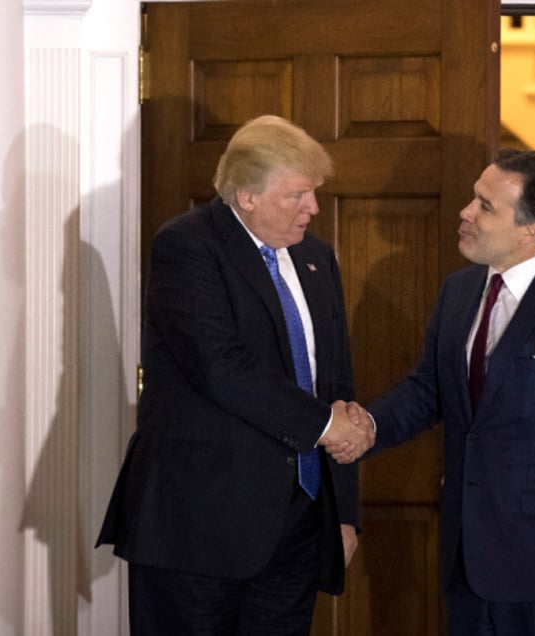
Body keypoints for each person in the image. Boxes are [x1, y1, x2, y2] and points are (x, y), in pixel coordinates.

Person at [337, 149, 535, 635]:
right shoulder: (458, 292)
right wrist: (365, 426)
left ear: (533, 230)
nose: (465, 212)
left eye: (485, 205)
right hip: (467, 560)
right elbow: (428, 392)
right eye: (473, 198)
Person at [96, 114, 374, 635]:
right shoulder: (188, 245)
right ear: (247, 196)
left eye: (314, 192)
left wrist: (343, 511)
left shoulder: (316, 257)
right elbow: (221, 369)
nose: (313, 207)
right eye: (298, 195)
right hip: (198, 526)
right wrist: (326, 426)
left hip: (297, 525)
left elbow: (334, 386)